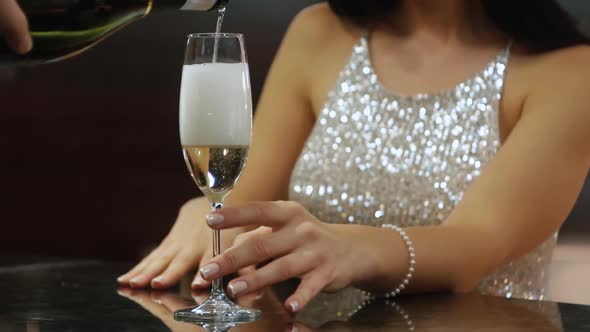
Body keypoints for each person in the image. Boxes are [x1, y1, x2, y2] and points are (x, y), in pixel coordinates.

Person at [118, 0, 590, 313]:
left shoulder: (569, 72)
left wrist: (351, 246)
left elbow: (475, 244)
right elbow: (249, 197)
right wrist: (210, 210)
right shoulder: (319, 31)